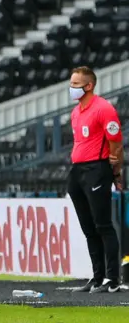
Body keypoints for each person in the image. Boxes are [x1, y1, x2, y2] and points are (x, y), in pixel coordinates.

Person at [67, 66, 123, 293]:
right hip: (77, 170)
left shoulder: (104, 109)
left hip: (97, 169)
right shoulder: (76, 112)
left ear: (89, 85)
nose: (71, 89)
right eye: (71, 84)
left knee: (103, 225)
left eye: (75, 85)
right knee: (88, 228)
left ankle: (112, 278)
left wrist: (116, 172)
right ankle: (97, 276)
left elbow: (116, 144)